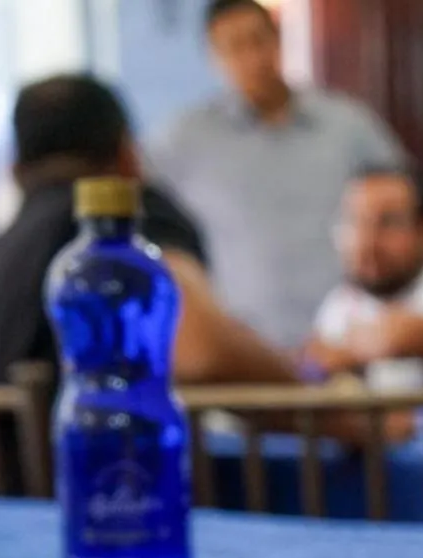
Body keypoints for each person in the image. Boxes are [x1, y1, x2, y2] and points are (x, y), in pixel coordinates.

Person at [0, 74, 300, 390]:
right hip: (79, 476)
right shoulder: (119, 220)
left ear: (17, 171)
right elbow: (202, 352)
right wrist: (328, 409)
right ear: (127, 155)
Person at [149, 0, 403, 352]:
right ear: (213, 55)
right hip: (243, 353)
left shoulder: (349, 127)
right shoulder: (182, 142)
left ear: (278, 40)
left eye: (258, 40)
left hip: (347, 344)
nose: (251, 58)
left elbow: (405, 208)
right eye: (234, 46)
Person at [309, 166, 423, 392]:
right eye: (356, 222)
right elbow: (315, 357)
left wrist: (347, 349)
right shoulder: (342, 298)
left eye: (387, 223)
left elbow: (403, 336)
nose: (367, 242)